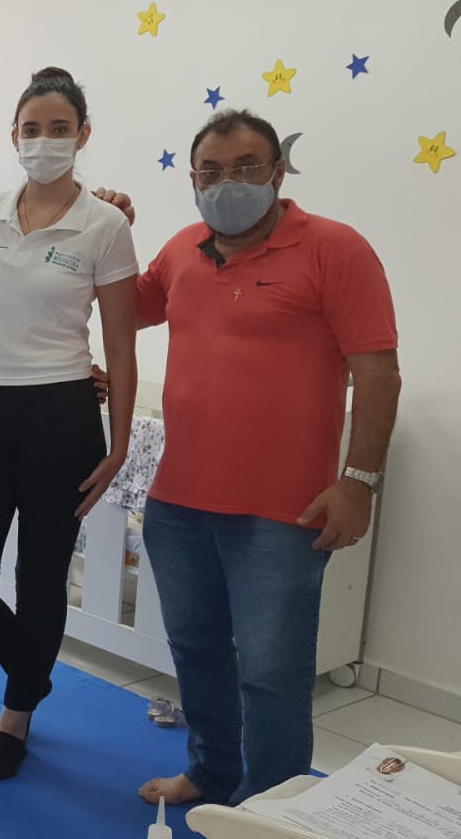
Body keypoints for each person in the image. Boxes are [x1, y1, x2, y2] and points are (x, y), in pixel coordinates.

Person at [124, 109, 400, 808]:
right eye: (209, 172)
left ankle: (271, 808)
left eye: (246, 167)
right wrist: (95, 228)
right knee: (196, 652)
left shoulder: (334, 249)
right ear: (191, 180)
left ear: (278, 172)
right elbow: (123, 306)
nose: (227, 184)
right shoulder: (182, 248)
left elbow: (376, 372)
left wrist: (358, 481)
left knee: (272, 674)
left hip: (282, 512)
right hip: (178, 502)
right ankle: (212, 774)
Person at [0, 67, 139, 781]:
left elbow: (119, 341)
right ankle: (33, 670)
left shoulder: (105, 223)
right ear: (13, 135)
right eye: (32, 128)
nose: (44, 141)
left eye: (60, 129)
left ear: (82, 136)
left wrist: (120, 442)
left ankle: (15, 716)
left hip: (60, 411)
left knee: (39, 574)